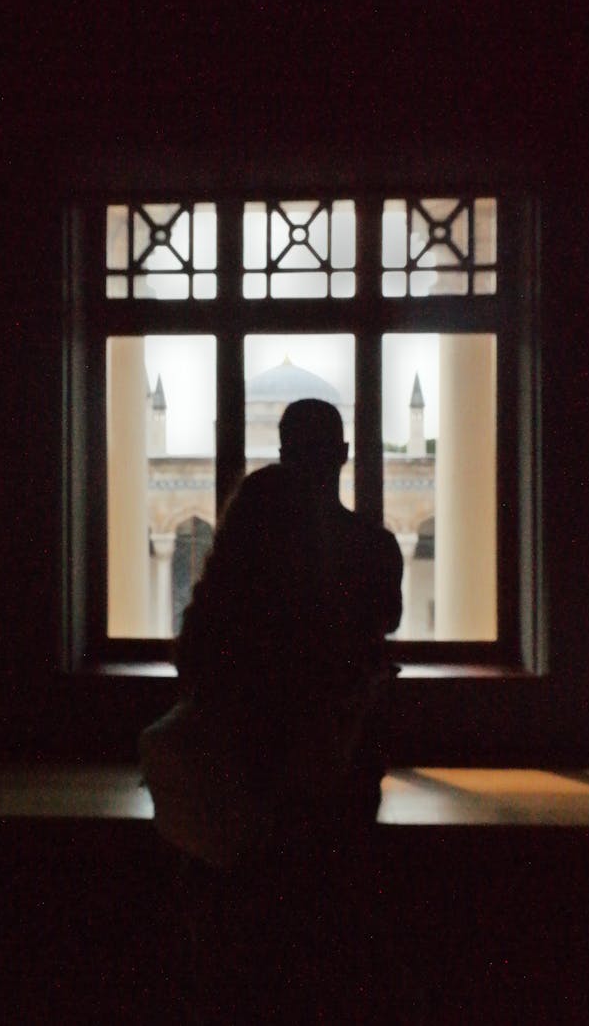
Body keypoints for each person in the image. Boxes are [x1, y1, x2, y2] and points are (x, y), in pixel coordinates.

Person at [170, 399, 403, 1020]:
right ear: (344, 455)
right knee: (324, 949)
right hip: (336, 781)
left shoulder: (245, 567)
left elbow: (199, 665)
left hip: (242, 787)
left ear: (281, 452)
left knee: (242, 958)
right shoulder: (375, 548)